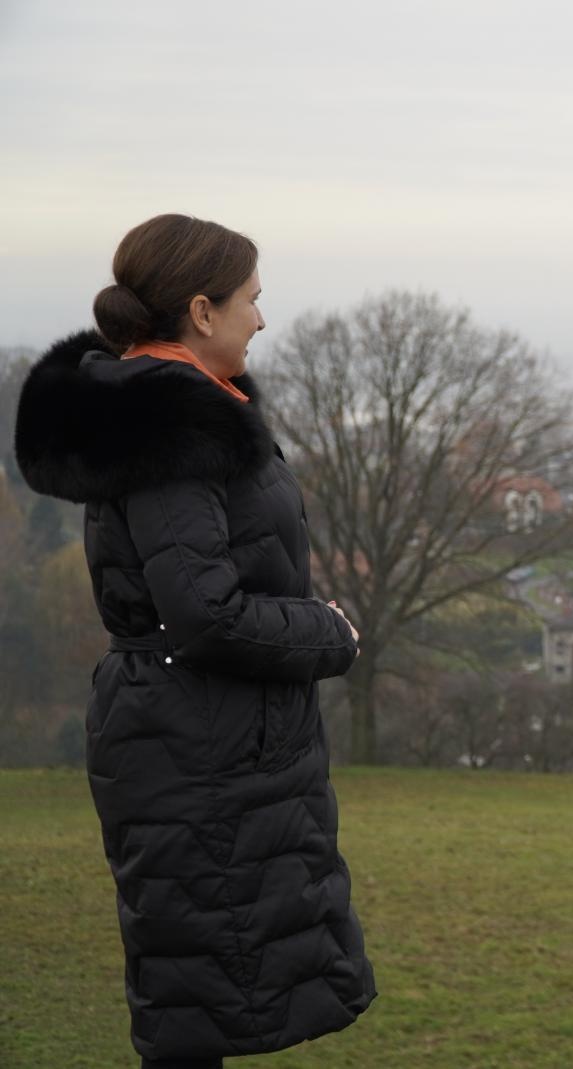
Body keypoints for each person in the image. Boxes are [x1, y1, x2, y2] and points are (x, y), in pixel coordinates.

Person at [14, 214, 376, 1068]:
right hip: (195, 747)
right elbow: (204, 613)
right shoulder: (171, 429)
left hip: (206, 739)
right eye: (252, 299)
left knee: (202, 998)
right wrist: (329, 631)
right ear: (203, 310)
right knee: (192, 1009)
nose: (263, 317)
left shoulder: (179, 413)